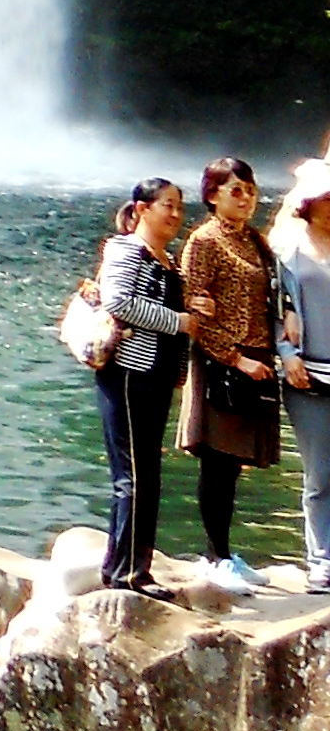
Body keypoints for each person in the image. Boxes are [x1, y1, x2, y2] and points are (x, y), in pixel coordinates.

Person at [180, 155, 286, 592]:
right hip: (222, 363)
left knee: (234, 463)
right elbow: (193, 306)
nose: (246, 199)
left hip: (256, 361)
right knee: (217, 461)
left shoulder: (255, 241)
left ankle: (226, 554)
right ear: (212, 195)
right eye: (235, 191)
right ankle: (214, 556)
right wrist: (234, 357)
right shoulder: (204, 241)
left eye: (250, 191)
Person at [95, 177, 189, 593]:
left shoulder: (167, 259)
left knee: (146, 474)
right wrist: (178, 322)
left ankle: (126, 567)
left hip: (155, 375)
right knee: (134, 476)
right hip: (129, 374)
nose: (174, 214)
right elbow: (116, 301)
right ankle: (128, 574)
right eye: (167, 205)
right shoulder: (126, 250)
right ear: (142, 209)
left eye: (179, 207)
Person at [277, 157, 330, 593]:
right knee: (319, 474)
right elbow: (273, 312)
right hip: (306, 376)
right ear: (307, 205)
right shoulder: (288, 256)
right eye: (324, 199)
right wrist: (285, 353)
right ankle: (321, 560)